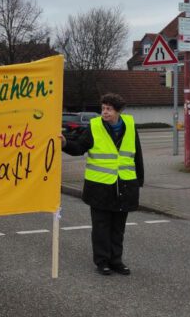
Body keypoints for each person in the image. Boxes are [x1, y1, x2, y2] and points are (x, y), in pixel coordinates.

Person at [61, 93, 144, 276]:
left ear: (118, 111)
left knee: (118, 228)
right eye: (103, 108)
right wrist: (65, 143)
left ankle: (116, 261)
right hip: (99, 187)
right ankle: (102, 262)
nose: (104, 112)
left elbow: (137, 155)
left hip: (124, 186)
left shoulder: (129, 125)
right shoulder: (95, 126)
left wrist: (139, 182)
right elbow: (80, 147)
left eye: (108, 109)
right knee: (101, 227)